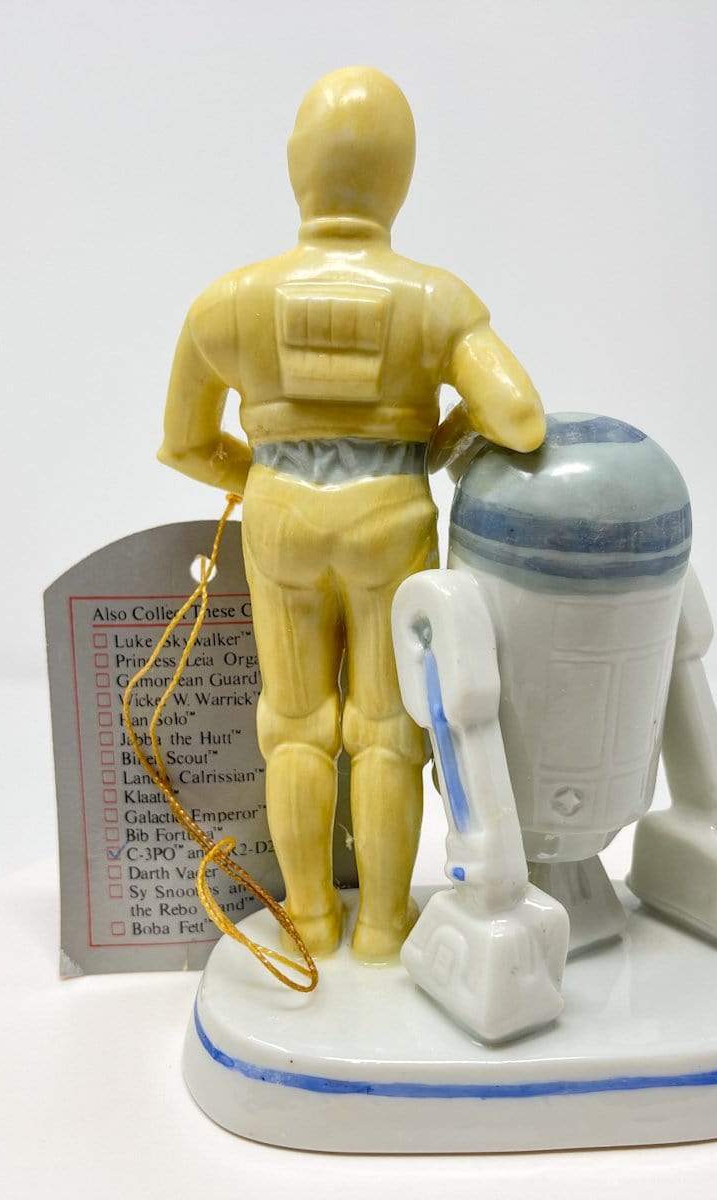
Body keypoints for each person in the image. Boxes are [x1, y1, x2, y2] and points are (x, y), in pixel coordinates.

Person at [159, 66, 545, 960]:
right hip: (390, 517)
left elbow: (184, 445)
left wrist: (263, 477)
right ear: (401, 176)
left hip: (279, 519)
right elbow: (520, 416)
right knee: (388, 729)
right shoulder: (435, 300)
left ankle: (309, 920)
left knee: (293, 725)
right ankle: (382, 926)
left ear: (296, 164)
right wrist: (437, 441)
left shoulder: (228, 302)